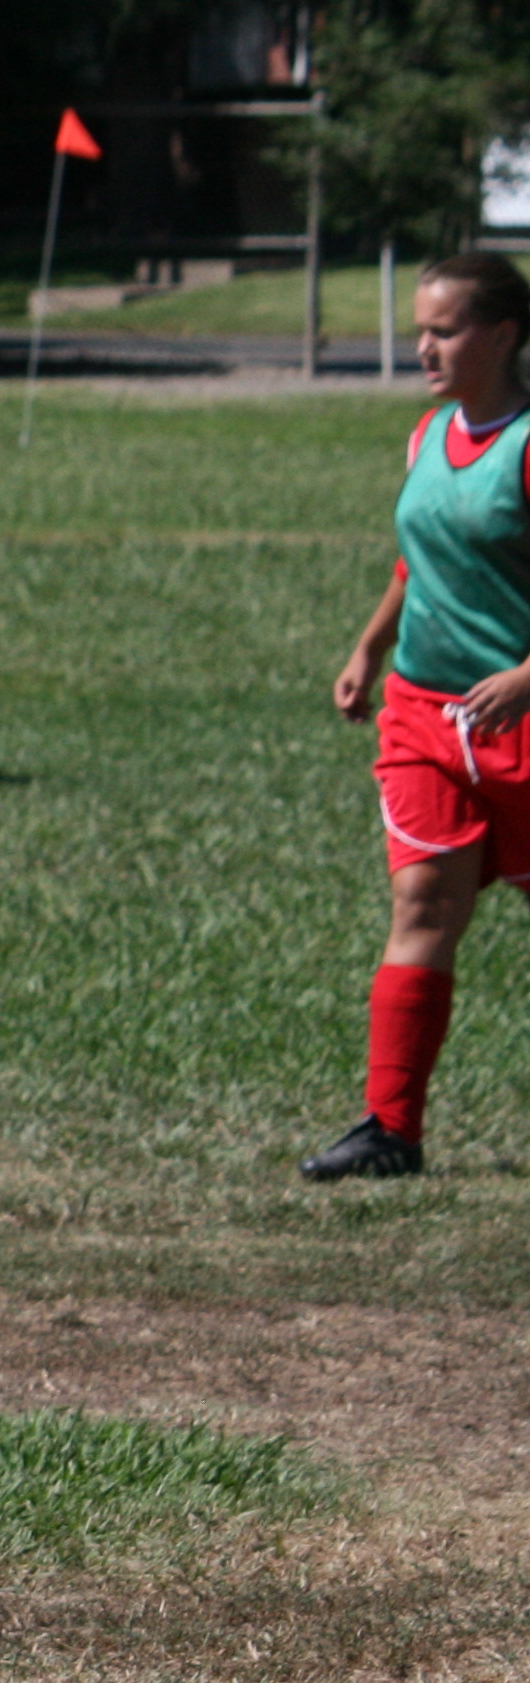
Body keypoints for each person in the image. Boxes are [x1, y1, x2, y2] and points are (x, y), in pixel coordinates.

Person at [306, 253, 530, 1182]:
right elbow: (419, 559)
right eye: (420, 331)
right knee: (422, 905)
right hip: (425, 717)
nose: (424, 349)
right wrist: (369, 648)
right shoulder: (429, 435)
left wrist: (527, 677)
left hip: (521, 722)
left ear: (504, 335)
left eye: (445, 331)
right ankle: (391, 1131)